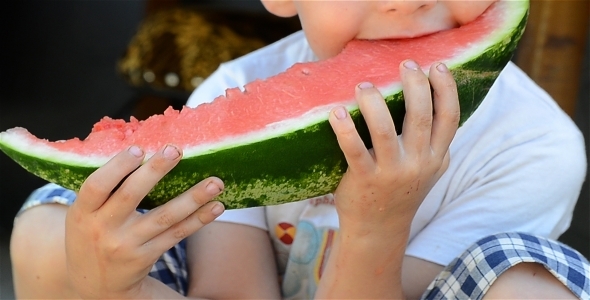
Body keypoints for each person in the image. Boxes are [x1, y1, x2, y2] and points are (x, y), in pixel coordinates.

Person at [9, 0, 590, 299]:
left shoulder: (534, 148)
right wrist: (113, 289)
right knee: (50, 231)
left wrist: (375, 226)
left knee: (531, 289)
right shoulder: (231, 90)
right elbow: (230, 293)